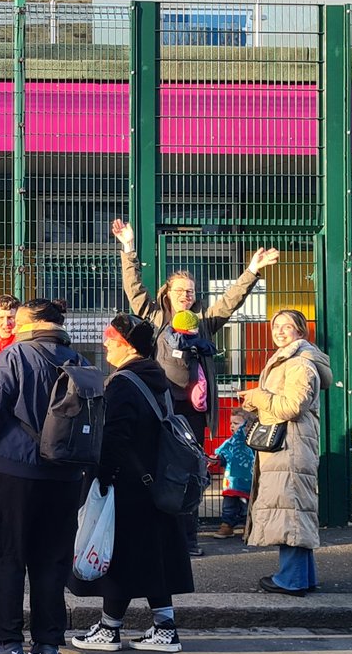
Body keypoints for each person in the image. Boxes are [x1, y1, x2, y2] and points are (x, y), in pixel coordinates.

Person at [112, 218, 278, 555]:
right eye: (180, 291)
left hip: (193, 412)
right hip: (161, 408)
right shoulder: (156, 318)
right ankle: (155, 535)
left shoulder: (204, 323)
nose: (186, 295)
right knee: (155, 468)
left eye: (190, 291)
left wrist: (251, 271)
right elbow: (135, 291)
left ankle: (186, 539)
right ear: (167, 295)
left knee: (188, 471)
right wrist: (128, 247)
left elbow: (229, 301)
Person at [0, 298, 86, 654]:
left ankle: (7, 642)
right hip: (64, 476)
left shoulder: (15, 356)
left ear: (31, 322)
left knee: (4, 557)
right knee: (51, 560)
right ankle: (48, 644)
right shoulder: (81, 362)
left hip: (12, 473)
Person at [70, 314, 195, 654]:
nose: (105, 341)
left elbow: (114, 438)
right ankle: (164, 627)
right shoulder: (154, 376)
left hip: (127, 482)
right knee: (150, 556)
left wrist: (102, 478)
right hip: (154, 480)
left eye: (111, 336)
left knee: (119, 555)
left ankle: (109, 628)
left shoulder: (124, 382)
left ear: (127, 344)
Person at [242, 309, 331, 597]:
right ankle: (303, 577)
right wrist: (258, 403)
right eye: (276, 326)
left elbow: (292, 406)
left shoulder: (300, 364)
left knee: (289, 511)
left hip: (290, 447)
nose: (280, 331)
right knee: (295, 510)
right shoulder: (290, 360)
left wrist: (258, 396)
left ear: (301, 331)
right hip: (289, 446)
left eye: (288, 326)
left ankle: (290, 580)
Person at [209, 408, 255, 538]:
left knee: (247, 505)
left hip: (248, 480)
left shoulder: (252, 442)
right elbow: (223, 455)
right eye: (231, 423)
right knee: (228, 505)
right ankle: (227, 525)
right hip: (231, 481)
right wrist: (217, 459)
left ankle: (248, 527)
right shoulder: (230, 442)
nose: (232, 426)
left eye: (236, 423)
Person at [160, 310, 218, 413]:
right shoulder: (192, 341)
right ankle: (199, 401)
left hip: (167, 393)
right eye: (195, 328)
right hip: (187, 394)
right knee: (201, 380)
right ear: (188, 330)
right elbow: (210, 348)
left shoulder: (164, 336)